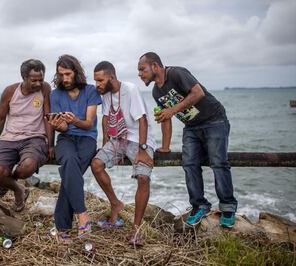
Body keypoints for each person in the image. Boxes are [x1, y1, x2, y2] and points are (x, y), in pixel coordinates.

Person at [138, 52, 238, 228]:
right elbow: (166, 118)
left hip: (214, 120)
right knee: (189, 164)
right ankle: (200, 206)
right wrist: (165, 146)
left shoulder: (176, 73)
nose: (139, 74)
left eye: (142, 69)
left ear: (155, 66)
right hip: (191, 127)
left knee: (218, 162)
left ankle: (228, 208)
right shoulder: (156, 91)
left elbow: (197, 92)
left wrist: (173, 110)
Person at [91, 61, 156, 247]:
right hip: (118, 139)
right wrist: (105, 143)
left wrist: (143, 150)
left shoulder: (130, 89)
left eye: (100, 80)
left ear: (111, 77)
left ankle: (136, 230)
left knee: (143, 177)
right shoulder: (105, 94)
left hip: (138, 139)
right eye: (96, 81)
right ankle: (115, 203)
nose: (98, 85)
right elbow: (105, 118)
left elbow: (142, 120)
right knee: (96, 164)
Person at [0, 59, 53, 212]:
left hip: (35, 138)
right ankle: (19, 189)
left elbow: (48, 117)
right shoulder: (10, 91)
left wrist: (50, 145)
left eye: (41, 79)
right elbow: (0, 118)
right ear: (24, 78)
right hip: (9, 138)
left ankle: (10, 183)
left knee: (27, 167)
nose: (38, 83)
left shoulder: (45, 89)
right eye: (34, 80)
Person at [47, 54, 102, 242]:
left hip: (87, 138)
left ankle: (62, 228)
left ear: (76, 72)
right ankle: (82, 215)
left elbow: (88, 123)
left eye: (68, 74)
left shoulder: (91, 91)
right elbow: (62, 127)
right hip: (66, 139)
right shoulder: (55, 94)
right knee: (69, 162)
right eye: (61, 75)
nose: (65, 79)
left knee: (69, 176)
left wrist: (74, 121)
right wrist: (58, 125)